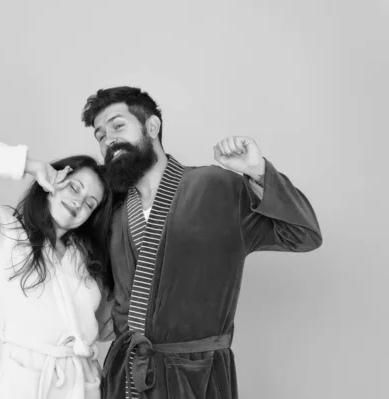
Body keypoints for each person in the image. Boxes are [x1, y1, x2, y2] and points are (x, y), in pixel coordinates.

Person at [80, 86, 323, 399]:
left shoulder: (218, 187)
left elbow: (303, 233)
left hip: (195, 378)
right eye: (100, 135)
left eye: (117, 126)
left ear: (152, 127)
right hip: (126, 376)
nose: (108, 140)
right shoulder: (111, 209)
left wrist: (258, 173)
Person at [0, 139, 115, 399]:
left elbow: (102, 328)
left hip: (84, 385)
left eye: (90, 203)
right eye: (74, 187)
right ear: (53, 183)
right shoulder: (5, 233)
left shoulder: (85, 258)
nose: (79, 202)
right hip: (27, 385)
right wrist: (32, 166)